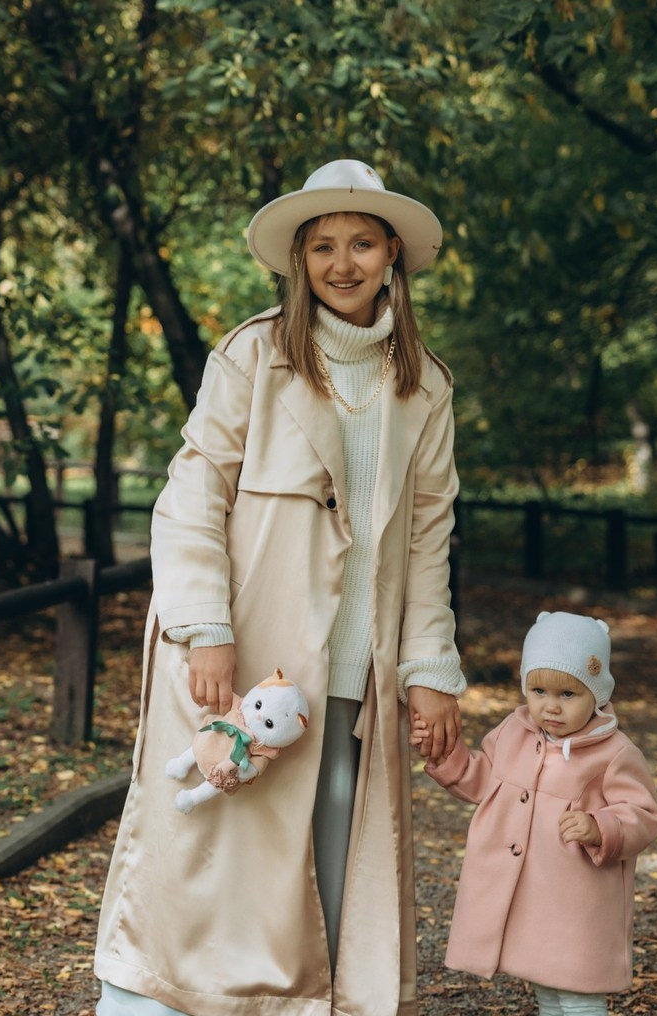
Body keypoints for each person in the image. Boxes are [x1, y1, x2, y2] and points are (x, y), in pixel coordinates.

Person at [94, 158, 466, 1016]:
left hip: (353, 669)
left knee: (329, 863)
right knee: (207, 853)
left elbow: (429, 536)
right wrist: (203, 623)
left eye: (362, 244)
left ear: (392, 256)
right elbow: (192, 494)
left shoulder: (428, 386)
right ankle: (147, 1004)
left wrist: (431, 669)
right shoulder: (253, 355)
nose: (343, 264)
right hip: (247, 655)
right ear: (298, 260)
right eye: (323, 247)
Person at [412, 610, 657, 1016]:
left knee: (580, 993)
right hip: (532, 895)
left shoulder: (614, 753)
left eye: (568, 695)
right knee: (546, 985)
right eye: (539, 691)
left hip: (578, 900)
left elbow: (644, 814)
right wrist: (444, 754)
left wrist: (601, 827)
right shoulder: (513, 733)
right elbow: (482, 779)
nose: (551, 707)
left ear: (596, 694)